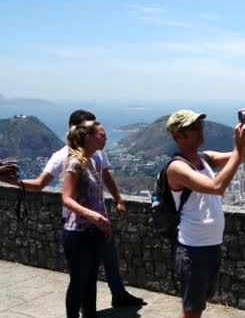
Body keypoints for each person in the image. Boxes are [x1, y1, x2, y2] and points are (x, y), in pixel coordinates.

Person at [0, 110, 143, 307]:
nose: (96, 132)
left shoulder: (97, 152)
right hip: (78, 224)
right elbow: (41, 184)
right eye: (90, 127)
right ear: (78, 130)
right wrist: (12, 182)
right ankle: (79, 316)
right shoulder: (62, 157)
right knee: (82, 275)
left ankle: (117, 295)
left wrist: (118, 199)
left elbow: (106, 176)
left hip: (100, 219)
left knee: (109, 258)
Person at [165, 109, 245, 318]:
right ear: (179, 136)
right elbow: (217, 187)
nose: (200, 130)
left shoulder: (205, 159)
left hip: (210, 246)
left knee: (195, 310)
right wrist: (237, 149)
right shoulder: (177, 167)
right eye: (194, 128)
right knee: (191, 312)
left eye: (199, 126)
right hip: (193, 249)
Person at [61, 120, 112, 318]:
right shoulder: (74, 163)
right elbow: (67, 198)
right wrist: (92, 215)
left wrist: (104, 222)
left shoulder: (91, 161)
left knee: (91, 279)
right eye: (101, 134)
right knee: (78, 282)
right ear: (88, 137)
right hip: (78, 232)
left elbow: (98, 198)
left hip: (93, 231)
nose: (105, 137)